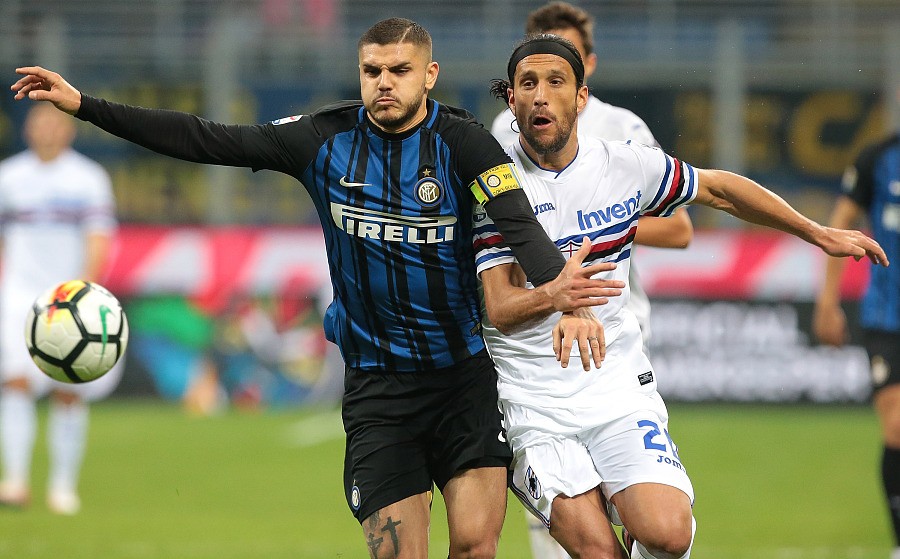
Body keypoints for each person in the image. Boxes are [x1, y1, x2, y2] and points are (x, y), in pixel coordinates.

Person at [10, 18, 621, 559]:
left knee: (475, 545)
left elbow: (518, 223)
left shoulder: (464, 144)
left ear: (429, 75)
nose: (384, 83)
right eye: (372, 71)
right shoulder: (322, 140)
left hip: (463, 379)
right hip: (379, 391)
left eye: (400, 71)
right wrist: (84, 105)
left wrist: (563, 297)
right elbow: (204, 138)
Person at [474, 34, 888, 559]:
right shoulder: (494, 187)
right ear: (511, 100)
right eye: (528, 84)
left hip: (616, 387)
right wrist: (555, 296)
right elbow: (500, 309)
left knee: (668, 535)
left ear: (581, 98)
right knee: (598, 552)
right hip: (535, 403)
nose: (540, 95)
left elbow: (718, 189)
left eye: (555, 82)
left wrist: (816, 232)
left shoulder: (625, 166)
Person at [489, 4, 692, 557]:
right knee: (572, 538)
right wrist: (554, 271)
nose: (541, 92)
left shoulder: (623, 133)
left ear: (585, 74)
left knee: (660, 526)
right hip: (535, 367)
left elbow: (680, 228)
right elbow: (504, 266)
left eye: (561, 70)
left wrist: (600, 217)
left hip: (613, 338)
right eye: (529, 77)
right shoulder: (501, 140)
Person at [0, 104, 120, 515]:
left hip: (68, 297)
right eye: (40, 123)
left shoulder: (88, 178)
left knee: (67, 389)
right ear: (28, 130)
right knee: (14, 382)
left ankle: (62, 487)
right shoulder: (9, 177)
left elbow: (98, 237)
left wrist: (85, 291)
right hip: (19, 294)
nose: (47, 130)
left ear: (68, 130)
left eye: (54, 123)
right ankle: (15, 480)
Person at [813, 132, 900, 559]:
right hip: (888, 316)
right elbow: (841, 223)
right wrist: (828, 302)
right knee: (897, 426)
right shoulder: (878, 158)